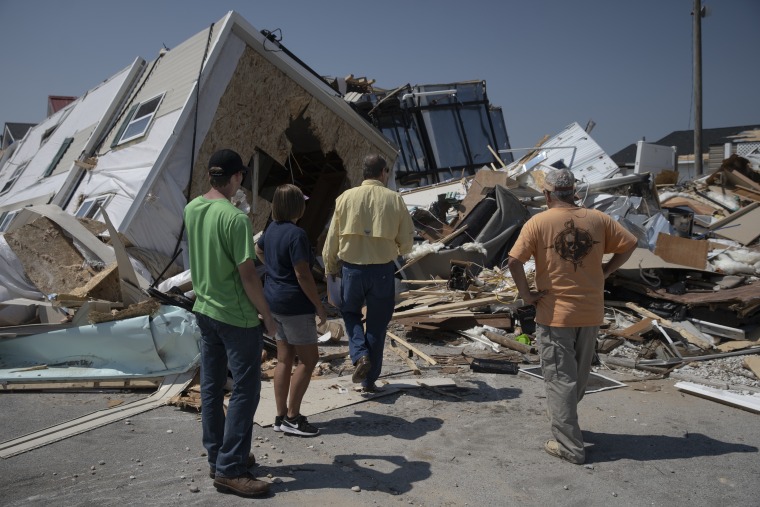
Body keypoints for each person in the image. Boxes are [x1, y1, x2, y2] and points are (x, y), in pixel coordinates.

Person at [507, 168, 637, 465]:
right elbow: (630, 244)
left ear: (548, 194)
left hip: (555, 315)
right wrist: (605, 271)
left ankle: (570, 447)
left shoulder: (538, 221)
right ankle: (565, 421)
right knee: (577, 377)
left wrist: (526, 296)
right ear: (574, 191)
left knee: (559, 380)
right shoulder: (599, 219)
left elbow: (514, 261)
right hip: (590, 313)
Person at [184, 148, 277, 497]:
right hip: (235, 316)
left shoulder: (192, 208)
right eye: (241, 178)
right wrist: (266, 316)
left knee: (211, 387)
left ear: (211, 176)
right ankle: (230, 468)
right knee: (245, 390)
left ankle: (219, 455)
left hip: (205, 308)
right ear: (236, 178)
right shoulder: (236, 219)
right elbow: (248, 275)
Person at [322, 154, 415, 392]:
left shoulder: (345, 198)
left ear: (363, 172)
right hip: (383, 270)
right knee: (376, 324)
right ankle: (369, 380)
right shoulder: (394, 200)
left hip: (352, 270)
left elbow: (332, 238)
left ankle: (360, 355)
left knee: (350, 313)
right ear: (383, 172)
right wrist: (401, 250)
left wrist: (330, 268)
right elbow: (406, 241)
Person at [255, 184, 327, 437]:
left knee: (285, 358)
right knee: (309, 361)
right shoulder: (297, 234)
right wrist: (319, 306)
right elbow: (303, 274)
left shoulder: (271, 229)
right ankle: (293, 418)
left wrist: (274, 270)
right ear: (298, 206)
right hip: (295, 304)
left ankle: (280, 415)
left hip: (273, 301)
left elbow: (259, 249)